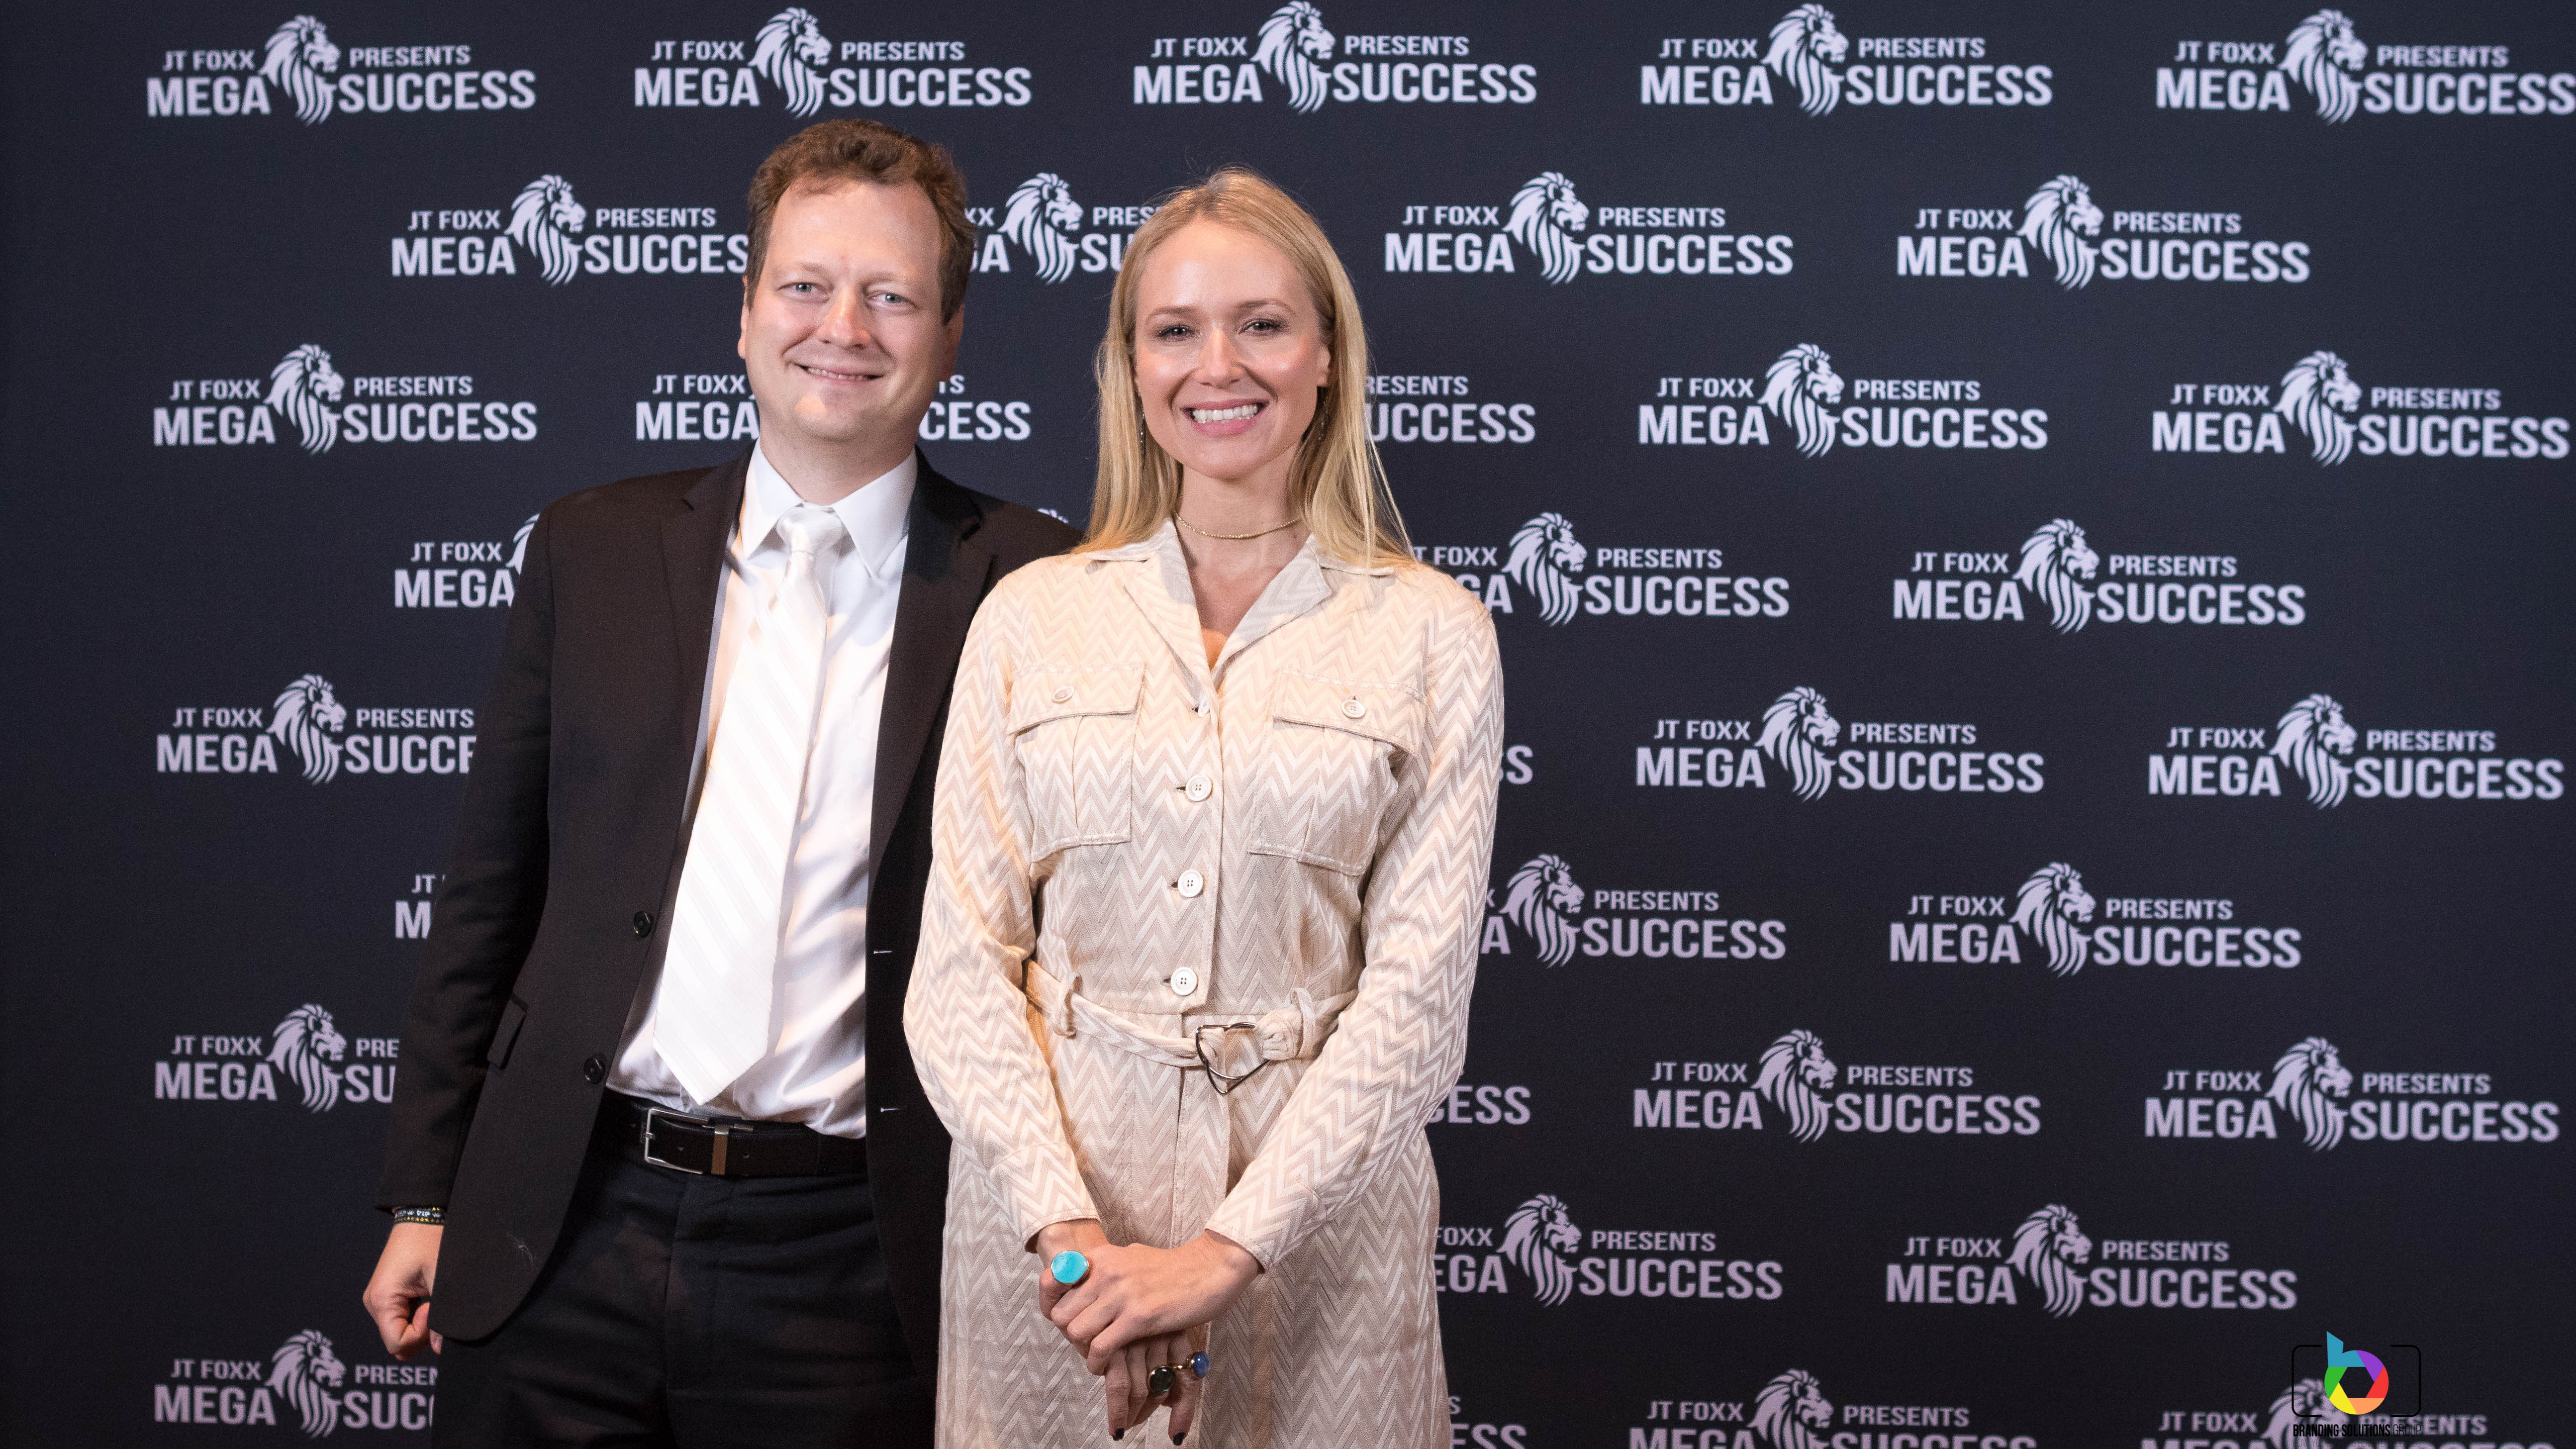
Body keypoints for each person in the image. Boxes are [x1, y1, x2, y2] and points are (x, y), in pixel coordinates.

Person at [360, 119, 1078, 1446]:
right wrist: (425, 1192)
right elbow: (488, 895)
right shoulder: (592, 547)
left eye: (891, 295)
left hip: (855, 1257)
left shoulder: (1038, 584)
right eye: (805, 285)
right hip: (561, 1220)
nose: (842, 327)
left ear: (949, 336)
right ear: (745, 315)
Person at [906, 168, 1504, 1449]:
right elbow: (958, 973)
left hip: (1323, 1252)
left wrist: (1220, 1255)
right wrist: (1080, 1254)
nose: (1216, 365)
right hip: (1053, 1262)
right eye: (1175, 329)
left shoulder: (1433, 633)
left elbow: (1415, 1008)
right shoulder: (1028, 618)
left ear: (1327, 354)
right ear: (1131, 367)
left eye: (1262, 324)